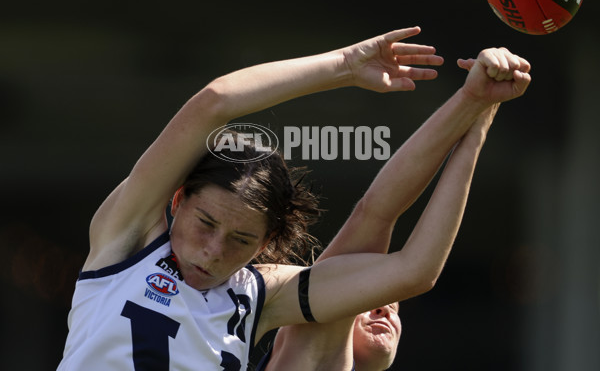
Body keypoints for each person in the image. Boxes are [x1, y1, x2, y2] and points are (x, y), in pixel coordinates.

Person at [57, 27, 531, 370]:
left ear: (266, 244)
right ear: (177, 199)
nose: (214, 250)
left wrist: (478, 113)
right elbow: (214, 103)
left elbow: (412, 268)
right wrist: (344, 66)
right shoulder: (127, 242)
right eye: (205, 223)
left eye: (242, 240)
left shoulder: (259, 296)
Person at [255, 52, 508, 370]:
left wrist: (478, 115)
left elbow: (379, 218)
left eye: (391, 306)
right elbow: (377, 217)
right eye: (369, 299)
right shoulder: (308, 352)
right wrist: (473, 108)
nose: (384, 310)